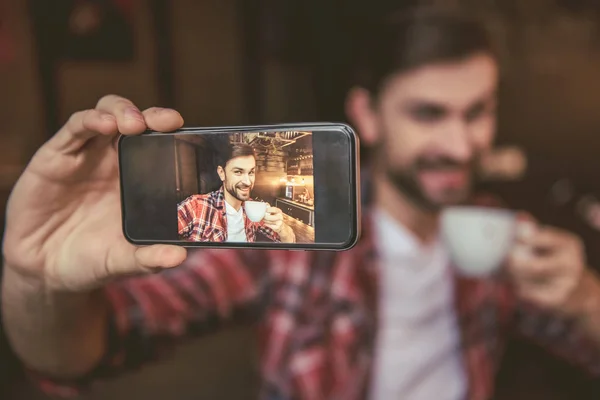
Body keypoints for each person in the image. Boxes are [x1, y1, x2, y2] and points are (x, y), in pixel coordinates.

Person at [3, 8, 600, 400]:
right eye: (429, 113)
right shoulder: (292, 238)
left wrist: (583, 299)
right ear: (367, 115)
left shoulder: (503, 236)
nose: (462, 143)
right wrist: (38, 283)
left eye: (479, 112)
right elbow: (92, 350)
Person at [177, 142, 295, 243]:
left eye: (251, 172)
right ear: (222, 173)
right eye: (238, 172)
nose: (247, 181)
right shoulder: (196, 206)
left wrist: (282, 228)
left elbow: (290, 242)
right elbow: (160, 236)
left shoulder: (253, 210)